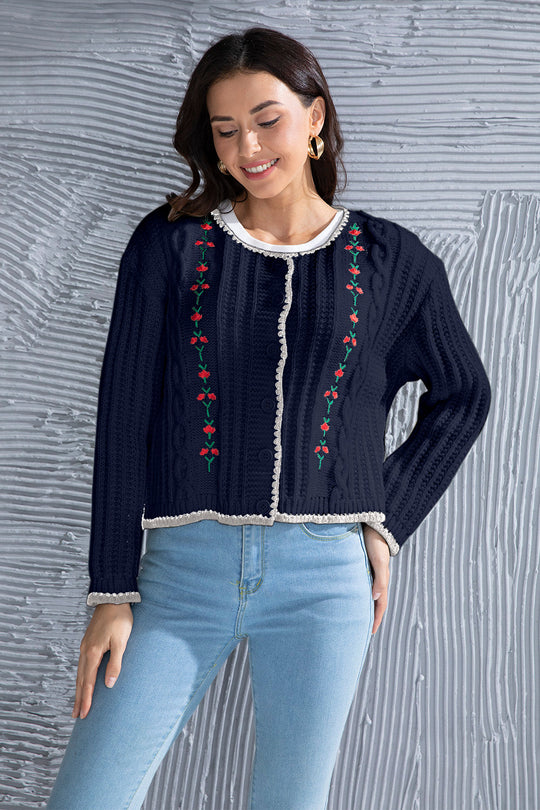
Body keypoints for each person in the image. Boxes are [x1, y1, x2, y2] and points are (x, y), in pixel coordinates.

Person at [46, 26, 491, 810]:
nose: (247, 147)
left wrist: (387, 518)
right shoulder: (170, 246)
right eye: (225, 131)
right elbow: (121, 421)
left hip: (325, 580)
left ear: (314, 118)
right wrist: (110, 590)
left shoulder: (393, 262)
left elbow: (465, 396)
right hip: (179, 575)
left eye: (266, 120)